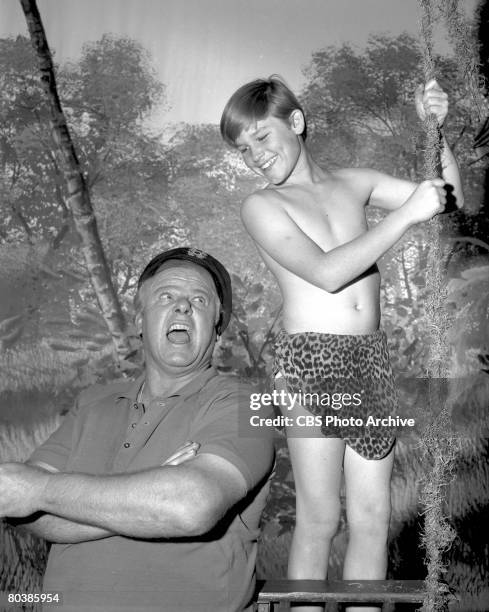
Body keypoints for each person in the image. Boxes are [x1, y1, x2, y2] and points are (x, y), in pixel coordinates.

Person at [220, 77, 463, 611]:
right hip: (308, 360)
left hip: (370, 361)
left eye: (262, 138)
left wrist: (435, 129)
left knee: (372, 518)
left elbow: (448, 198)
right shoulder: (262, 206)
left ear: (297, 122)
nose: (255, 157)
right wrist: (405, 215)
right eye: (243, 149)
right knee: (321, 517)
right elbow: (328, 274)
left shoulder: (356, 183)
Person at [0, 247, 275, 612]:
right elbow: (22, 507)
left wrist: (44, 491)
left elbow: (191, 505)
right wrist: (151, 497)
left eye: (199, 299)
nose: (182, 307)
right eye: (166, 296)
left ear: (217, 326)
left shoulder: (247, 406)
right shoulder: (92, 402)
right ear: (140, 319)